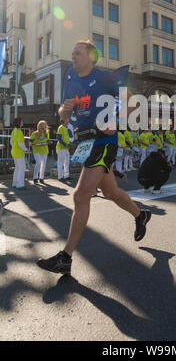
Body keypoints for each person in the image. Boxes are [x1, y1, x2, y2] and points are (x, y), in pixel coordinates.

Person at [37, 40, 151, 275]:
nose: (73, 57)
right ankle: (141, 215)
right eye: (72, 53)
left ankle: (65, 258)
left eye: (77, 53)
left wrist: (116, 122)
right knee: (110, 192)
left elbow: (132, 101)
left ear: (90, 57)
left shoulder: (104, 78)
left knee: (80, 196)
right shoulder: (70, 76)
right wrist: (65, 110)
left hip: (104, 142)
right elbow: (62, 113)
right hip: (86, 142)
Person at [11, 118, 30, 190]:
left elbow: (11, 142)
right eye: (22, 121)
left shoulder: (14, 131)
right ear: (19, 123)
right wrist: (26, 149)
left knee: (17, 168)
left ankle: (15, 183)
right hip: (19, 153)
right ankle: (20, 184)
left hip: (14, 152)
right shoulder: (19, 132)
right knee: (21, 168)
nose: (23, 122)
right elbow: (20, 144)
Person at [56, 119, 72, 184]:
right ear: (64, 121)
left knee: (67, 162)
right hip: (61, 148)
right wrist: (65, 144)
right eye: (67, 120)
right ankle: (60, 177)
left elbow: (67, 137)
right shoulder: (61, 127)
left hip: (65, 148)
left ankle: (66, 176)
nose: (68, 121)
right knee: (61, 163)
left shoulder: (65, 128)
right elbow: (59, 138)